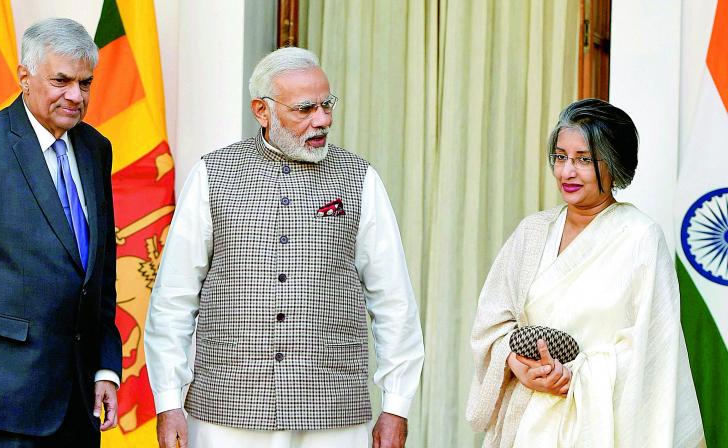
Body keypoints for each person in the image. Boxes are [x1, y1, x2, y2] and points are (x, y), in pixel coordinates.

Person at [144, 47, 425, 448]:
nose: (323, 120)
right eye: (305, 109)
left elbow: (393, 300)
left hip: (332, 413)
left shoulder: (359, 178)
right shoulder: (213, 174)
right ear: (262, 111)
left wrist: (396, 404)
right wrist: (168, 400)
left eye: (327, 105)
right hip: (227, 412)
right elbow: (173, 298)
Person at [466, 99, 706, 447]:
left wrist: (574, 375)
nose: (567, 172)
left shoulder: (640, 236)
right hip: (525, 421)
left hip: (599, 429)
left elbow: (654, 353)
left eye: (584, 160)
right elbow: (491, 325)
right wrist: (517, 364)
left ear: (614, 165)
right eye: (561, 157)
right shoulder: (533, 232)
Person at [0, 18, 121, 447]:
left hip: (78, 403)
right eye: (61, 80)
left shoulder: (95, 148)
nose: (75, 95)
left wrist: (106, 366)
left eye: (86, 83)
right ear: (24, 76)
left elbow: (100, 273)